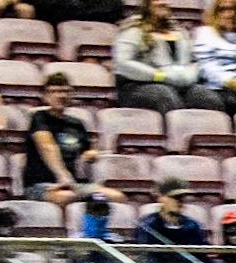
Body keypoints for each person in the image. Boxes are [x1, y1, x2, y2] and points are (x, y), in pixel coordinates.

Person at [23, 73, 122, 207]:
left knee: (115, 197)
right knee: (67, 197)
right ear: (45, 96)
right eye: (55, 92)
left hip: (74, 186)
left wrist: (91, 154)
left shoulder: (77, 124)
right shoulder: (39, 118)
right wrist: (62, 175)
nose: (61, 96)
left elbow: (86, 151)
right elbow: (47, 146)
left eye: (65, 91)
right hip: (41, 186)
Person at [113, 0, 215, 113]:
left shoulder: (180, 32)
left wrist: (191, 74)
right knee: (165, 96)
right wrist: (159, 75)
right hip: (139, 85)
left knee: (206, 96)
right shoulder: (133, 30)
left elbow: (195, 59)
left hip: (178, 83)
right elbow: (123, 63)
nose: (163, 4)